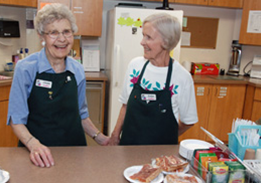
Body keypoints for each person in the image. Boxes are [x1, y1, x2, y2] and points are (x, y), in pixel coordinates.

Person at [7, 3, 109, 168]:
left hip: (74, 151)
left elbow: (81, 114)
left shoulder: (77, 69)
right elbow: (16, 119)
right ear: (41, 36)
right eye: (53, 32)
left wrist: (100, 138)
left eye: (66, 32)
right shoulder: (26, 68)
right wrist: (33, 144)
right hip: (37, 154)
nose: (62, 39)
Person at [109, 13, 198, 145]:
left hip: (162, 156)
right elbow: (125, 105)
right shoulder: (135, 66)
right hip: (128, 149)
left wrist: (167, 136)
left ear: (166, 42)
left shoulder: (182, 77)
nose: (142, 42)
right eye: (143, 35)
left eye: (148, 37)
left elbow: (188, 121)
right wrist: (115, 136)